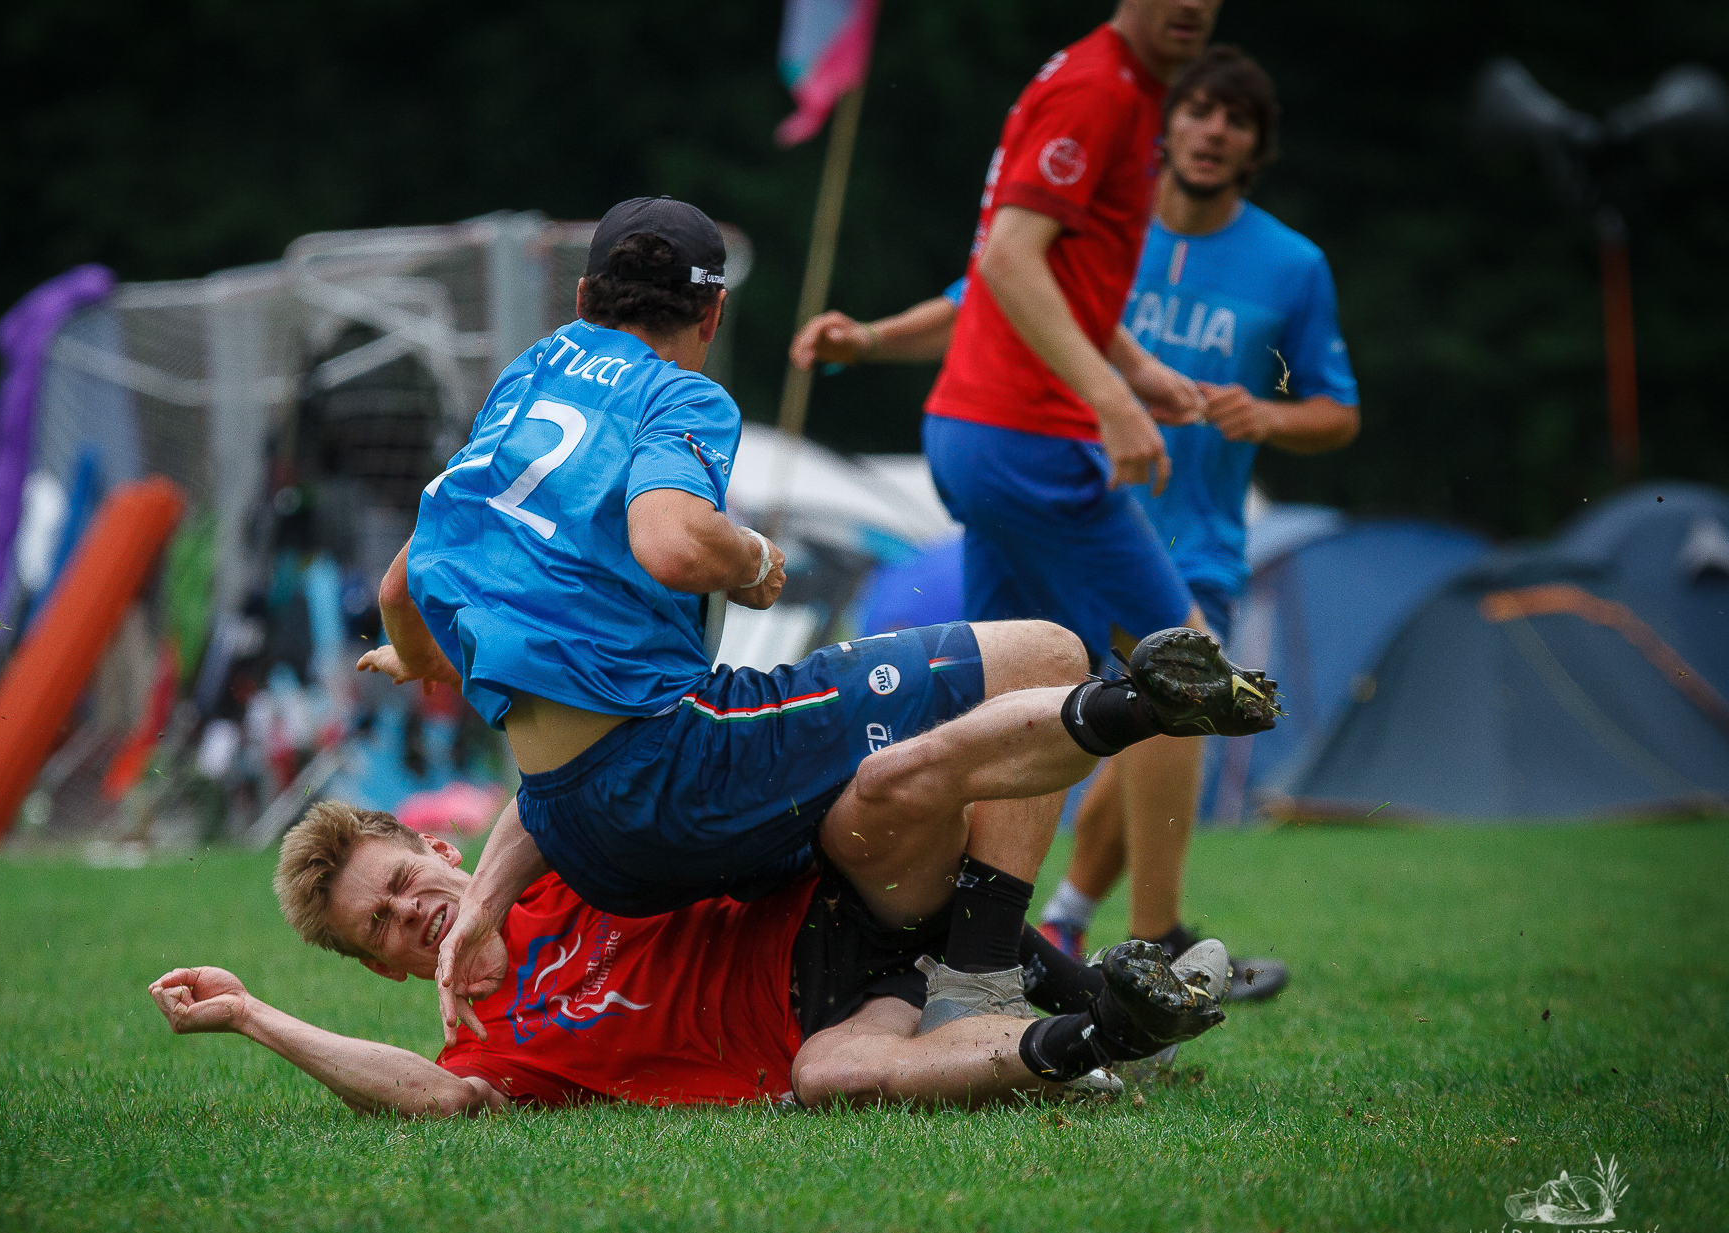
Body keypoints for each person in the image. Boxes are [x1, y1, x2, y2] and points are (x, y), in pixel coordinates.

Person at [364, 193, 1275, 1043]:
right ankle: (998, 962)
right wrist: (754, 559)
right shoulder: (679, 392)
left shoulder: (529, 378)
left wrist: (418, 659)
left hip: (568, 824)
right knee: (1045, 653)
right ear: (712, 316)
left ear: (579, 296)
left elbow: (402, 586)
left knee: (888, 831)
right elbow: (674, 545)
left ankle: (1097, 1009)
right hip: (670, 768)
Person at [791, 43, 1358, 1001]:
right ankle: (1144, 941)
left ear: (1259, 146)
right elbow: (994, 286)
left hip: (1191, 528)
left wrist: (1253, 410)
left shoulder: (1288, 262)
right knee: (1171, 678)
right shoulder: (1102, 171)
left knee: (1093, 705)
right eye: (1200, 109)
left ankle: (1006, 935)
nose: (1213, 129)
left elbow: (1336, 410)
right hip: (1051, 472)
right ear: (1166, 125)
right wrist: (878, 339)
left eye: (1239, 118)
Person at [147, 802, 1232, 1115]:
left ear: (436, 848)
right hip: (835, 1023)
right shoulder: (486, 1042)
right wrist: (252, 1015)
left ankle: (1110, 983)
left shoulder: (547, 856)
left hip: (841, 903)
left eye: (399, 882)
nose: (407, 915)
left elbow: (557, 784)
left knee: (905, 789)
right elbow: (432, 1100)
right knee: (831, 1080)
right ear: (379, 970)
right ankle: (1107, 1026)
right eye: (376, 927)